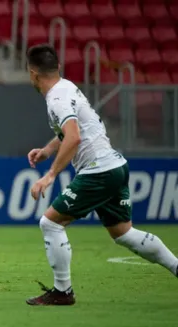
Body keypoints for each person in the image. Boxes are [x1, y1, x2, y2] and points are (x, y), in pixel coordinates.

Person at [24, 44, 177, 305]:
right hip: (114, 165)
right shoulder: (67, 86)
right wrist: (49, 150)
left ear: (32, 74)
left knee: (50, 223)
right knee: (124, 233)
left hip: (99, 171)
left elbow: (74, 136)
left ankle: (63, 292)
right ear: (58, 68)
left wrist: (50, 175)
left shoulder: (56, 99)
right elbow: (75, 129)